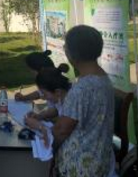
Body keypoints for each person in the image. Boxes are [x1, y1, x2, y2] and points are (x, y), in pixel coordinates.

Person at [53, 25, 115, 177]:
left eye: (65, 46)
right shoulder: (103, 78)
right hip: (100, 160)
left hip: (79, 167)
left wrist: (51, 147)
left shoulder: (81, 89)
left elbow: (62, 130)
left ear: (71, 53)